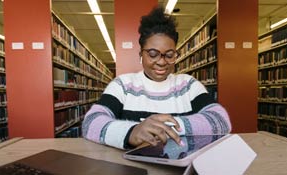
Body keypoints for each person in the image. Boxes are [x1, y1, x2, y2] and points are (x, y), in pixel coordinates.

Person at [82, 6, 231, 150]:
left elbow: (221, 121)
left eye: (169, 55)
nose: (161, 62)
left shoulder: (188, 84)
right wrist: (131, 132)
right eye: (153, 54)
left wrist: (167, 126)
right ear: (141, 55)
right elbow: (90, 123)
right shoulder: (123, 85)